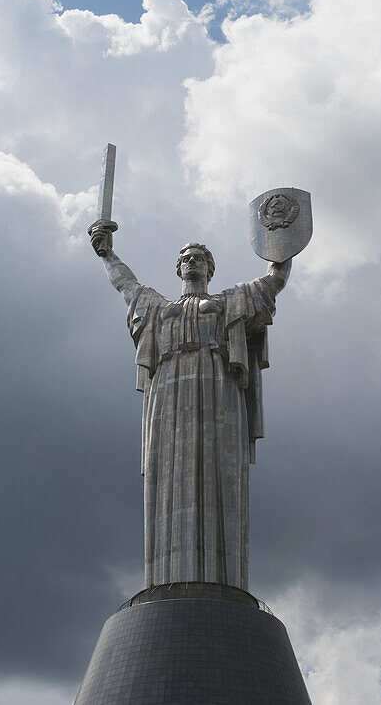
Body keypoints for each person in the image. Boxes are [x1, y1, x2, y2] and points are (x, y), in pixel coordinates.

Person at [91, 227, 290, 590]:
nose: (193, 262)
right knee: (167, 474)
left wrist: (283, 243)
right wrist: (107, 255)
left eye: (200, 258)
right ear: (179, 269)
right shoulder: (157, 307)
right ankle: (165, 580)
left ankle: (221, 579)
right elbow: (125, 284)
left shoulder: (229, 302)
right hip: (167, 393)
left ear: (210, 269)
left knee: (220, 469)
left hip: (218, 389)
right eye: (187, 258)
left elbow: (274, 281)